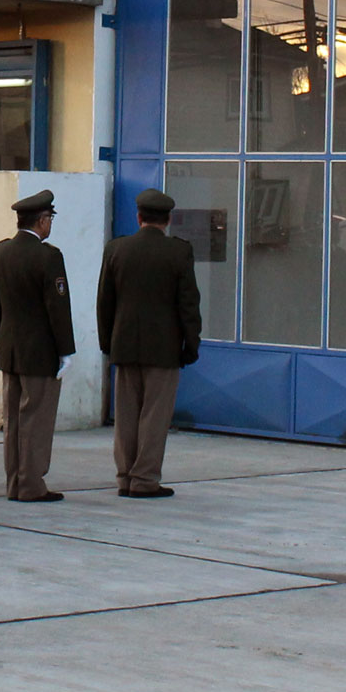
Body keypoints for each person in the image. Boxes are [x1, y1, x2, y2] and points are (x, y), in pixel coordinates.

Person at [99, 188, 203, 499]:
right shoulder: (178, 252)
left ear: (139, 217)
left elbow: (105, 302)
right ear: (168, 219)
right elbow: (188, 304)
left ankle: (125, 477)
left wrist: (108, 343)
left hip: (125, 345)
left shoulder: (117, 249)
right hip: (163, 348)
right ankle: (144, 479)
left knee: (127, 415)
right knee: (154, 417)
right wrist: (191, 344)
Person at [0, 189, 75, 503]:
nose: (50, 223)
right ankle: (32, 485)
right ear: (41, 220)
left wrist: (2, 340)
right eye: (49, 218)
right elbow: (58, 307)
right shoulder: (49, 256)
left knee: (13, 421)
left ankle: (14, 482)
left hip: (10, 349)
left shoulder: (0, 251)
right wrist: (66, 350)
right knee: (36, 420)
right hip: (40, 351)